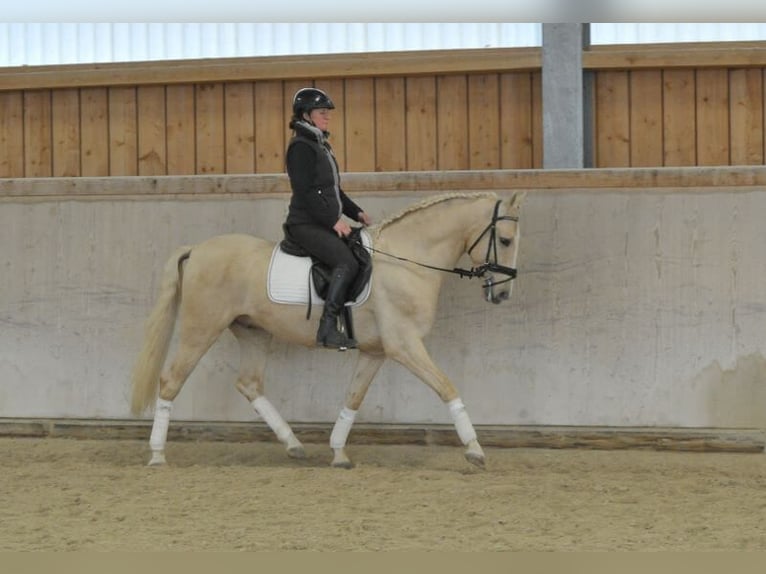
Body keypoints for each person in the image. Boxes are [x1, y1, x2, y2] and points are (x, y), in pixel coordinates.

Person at [283, 87, 372, 351]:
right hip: (304, 224)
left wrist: (356, 212)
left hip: (321, 221)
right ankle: (327, 328)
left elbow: (333, 190)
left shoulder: (320, 145)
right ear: (306, 115)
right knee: (345, 261)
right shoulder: (301, 147)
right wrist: (333, 222)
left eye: (327, 113)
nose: (327, 117)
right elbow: (305, 191)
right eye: (322, 113)